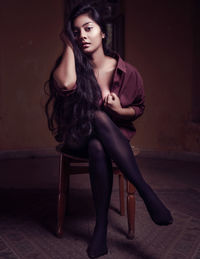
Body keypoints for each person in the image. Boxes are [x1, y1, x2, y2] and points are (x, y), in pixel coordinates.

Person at [44, 3, 173, 259]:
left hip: (109, 142)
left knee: (98, 144)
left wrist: (120, 112)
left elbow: (138, 108)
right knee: (96, 120)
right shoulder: (70, 64)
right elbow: (67, 85)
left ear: (103, 32)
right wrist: (68, 45)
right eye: (76, 31)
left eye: (88, 28)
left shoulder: (127, 71)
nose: (82, 35)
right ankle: (146, 191)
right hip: (76, 137)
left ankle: (100, 231)